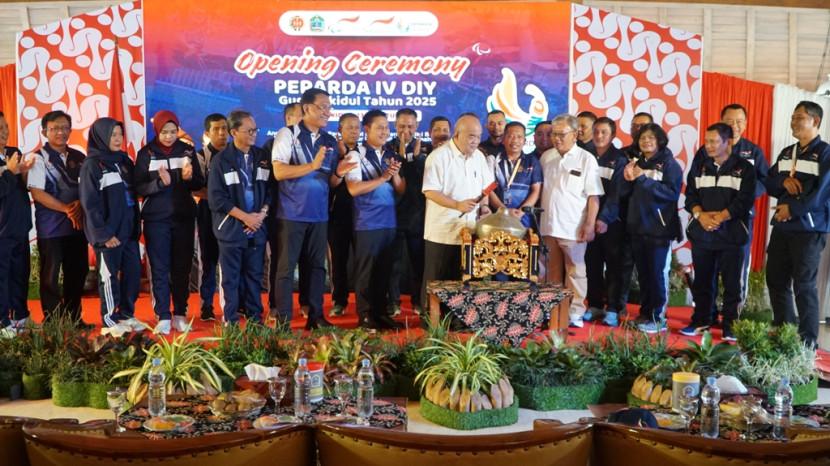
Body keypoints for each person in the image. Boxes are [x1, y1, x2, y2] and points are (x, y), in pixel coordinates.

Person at [271, 88, 356, 329]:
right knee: (287, 269)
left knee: (318, 268)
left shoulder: (329, 141)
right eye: (323, 107)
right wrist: (312, 165)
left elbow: (330, 181)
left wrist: (340, 172)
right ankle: (284, 321)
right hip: (291, 214)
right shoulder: (287, 134)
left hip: (319, 215)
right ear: (307, 108)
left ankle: (316, 316)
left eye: (329, 107)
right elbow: (279, 172)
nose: (327, 112)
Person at [682, 123, 756, 341]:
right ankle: (702, 320)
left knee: (732, 284)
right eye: (707, 141)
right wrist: (701, 216)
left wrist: (720, 217)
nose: (709, 145)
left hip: (732, 235)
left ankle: (731, 326)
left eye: (714, 141)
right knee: (703, 281)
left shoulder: (745, 168)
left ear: (728, 142)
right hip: (703, 233)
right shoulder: (699, 166)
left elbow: (744, 200)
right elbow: (690, 197)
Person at [765, 101, 830, 348]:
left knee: (804, 284)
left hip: (809, 229)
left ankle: (808, 342)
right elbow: (768, 182)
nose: (793, 122)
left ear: (815, 121)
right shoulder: (786, 152)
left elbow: (822, 193)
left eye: (799, 117)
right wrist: (782, 182)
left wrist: (792, 209)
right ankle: (784, 332)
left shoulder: (825, 153)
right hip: (783, 227)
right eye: (792, 117)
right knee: (776, 280)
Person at [135, 110, 204, 334]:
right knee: (160, 267)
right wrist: (159, 183)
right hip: (156, 219)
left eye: (173, 132)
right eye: (165, 132)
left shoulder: (187, 150)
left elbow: (198, 183)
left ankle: (180, 314)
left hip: (184, 217)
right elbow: (138, 187)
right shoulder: (146, 153)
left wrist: (189, 178)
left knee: (182, 268)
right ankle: (163, 315)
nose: (169, 136)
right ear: (157, 130)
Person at [699, 104, 769, 324]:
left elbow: (764, 181)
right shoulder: (706, 150)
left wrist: (743, 197)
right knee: (707, 271)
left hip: (739, 220)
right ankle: (706, 316)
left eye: (740, 121)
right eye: (730, 121)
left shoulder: (753, 151)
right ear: (721, 122)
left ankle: (732, 321)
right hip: (710, 219)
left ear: (746, 124)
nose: (735, 126)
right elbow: (695, 182)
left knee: (735, 273)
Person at [421, 114, 494, 308]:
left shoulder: (479, 157)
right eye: (471, 136)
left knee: (461, 281)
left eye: (478, 136)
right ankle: (430, 320)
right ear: (457, 134)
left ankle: (456, 318)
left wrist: (485, 206)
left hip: (469, 231)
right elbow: (429, 191)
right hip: (442, 232)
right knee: (437, 281)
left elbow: (486, 188)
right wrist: (456, 205)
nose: (475, 141)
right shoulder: (439, 156)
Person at [79, 118, 143, 335]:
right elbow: (90, 204)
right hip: (108, 234)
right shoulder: (92, 165)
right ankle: (109, 321)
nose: (117, 139)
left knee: (133, 274)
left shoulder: (124, 161)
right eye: (112, 135)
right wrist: (104, 234)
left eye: (119, 135)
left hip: (129, 230)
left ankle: (126, 314)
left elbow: (135, 191)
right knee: (109, 277)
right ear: (101, 136)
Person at [539, 114, 603, 328]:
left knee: (576, 271)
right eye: (554, 134)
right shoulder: (546, 157)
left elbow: (593, 197)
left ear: (575, 135)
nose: (556, 138)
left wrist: (589, 224)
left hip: (573, 226)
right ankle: (552, 310)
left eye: (561, 134)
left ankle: (575, 312)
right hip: (548, 225)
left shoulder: (586, 159)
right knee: (550, 272)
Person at [619, 123, 683, 334]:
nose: (646, 141)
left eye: (650, 138)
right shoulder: (637, 163)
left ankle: (658, 318)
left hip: (659, 229)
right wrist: (627, 178)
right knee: (644, 275)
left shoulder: (669, 164)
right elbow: (628, 193)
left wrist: (642, 179)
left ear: (659, 140)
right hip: (638, 227)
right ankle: (645, 314)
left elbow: (671, 194)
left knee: (657, 274)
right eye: (642, 138)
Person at [208, 110, 271, 325]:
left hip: (257, 228)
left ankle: (255, 321)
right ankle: (231, 322)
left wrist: (261, 215)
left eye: (255, 130)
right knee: (231, 278)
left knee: (254, 277)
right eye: (249, 131)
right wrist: (245, 218)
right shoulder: (221, 160)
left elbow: (270, 190)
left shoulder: (262, 157)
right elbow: (217, 199)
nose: (254, 134)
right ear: (234, 132)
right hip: (232, 229)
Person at [346, 110, 406, 329]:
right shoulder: (355, 155)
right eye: (379, 127)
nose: (384, 131)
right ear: (367, 129)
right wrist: (383, 177)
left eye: (386, 128)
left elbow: (401, 189)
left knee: (384, 271)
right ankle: (364, 315)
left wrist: (395, 174)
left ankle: (381, 314)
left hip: (389, 222)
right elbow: (353, 189)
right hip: (367, 222)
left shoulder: (391, 155)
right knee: (366, 272)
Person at [26, 110, 88, 322]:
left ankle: (74, 319)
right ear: (45, 131)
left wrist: (80, 203)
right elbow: (37, 193)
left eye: (64, 128)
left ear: (70, 130)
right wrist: (66, 209)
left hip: (77, 226)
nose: (60, 132)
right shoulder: (37, 158)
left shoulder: (79, 157)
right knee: (50, 276)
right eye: (55, 128)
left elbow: (88, 188)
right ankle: (53, 321)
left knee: (77, 272)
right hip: (51, 228)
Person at [583, 117, 630, 327]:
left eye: (604, 132)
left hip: (612, 223)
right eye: (596, 131)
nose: (599, 136)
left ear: (613, 135)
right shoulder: (585, 155)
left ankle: (612, 308)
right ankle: (595, 305)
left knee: (613, 267)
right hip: (588, 221)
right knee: (591, 265)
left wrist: (604, 218)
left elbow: (616, 194)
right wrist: (589, 219)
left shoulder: (619, 159)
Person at [263, 102, 306, 321]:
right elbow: (269, 180)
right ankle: (276, 306)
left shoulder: (313, 143)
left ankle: (307, 304)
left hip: (307, 210)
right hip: (280, 211)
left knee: (308, 259)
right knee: (281, 261)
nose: (305, 120)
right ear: (288, 119)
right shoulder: (273, 144)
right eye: (300, 116)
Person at [385, 108, 428, 317]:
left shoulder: (425, 148)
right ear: (395, 125)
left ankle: (418, 301)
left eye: (410, 126)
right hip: (392, 213)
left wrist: (416, 158)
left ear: (417, 126)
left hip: (417, 214)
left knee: (417, 262)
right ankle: (392, 302)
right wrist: (401, 156)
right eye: (402, 126)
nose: (406, 131)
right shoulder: (387, 148)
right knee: (392, 263)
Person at [0, 112, 34, 336]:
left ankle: (20, 316)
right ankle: (2, 322)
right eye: (0, 128)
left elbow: (22, 189)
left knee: (20, 274)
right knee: (2, 277)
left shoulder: (13, 153)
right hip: (2, 231)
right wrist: (10, 172)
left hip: (20, 226)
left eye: (6, 127)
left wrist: (23, 173)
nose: (4, 132)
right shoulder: (10, 163)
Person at [194, 113, 228, 321]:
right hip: (208, 211)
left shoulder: (235, 154)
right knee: (208, 260)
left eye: (225, 128)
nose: (222, 133)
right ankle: (206, 305)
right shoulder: (200, 156)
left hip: (233, 214)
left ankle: (235, 303)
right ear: (207, 133)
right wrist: (218, 198)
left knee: (232, 260)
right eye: (217, 129)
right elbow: (195, 188)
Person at [328, 113, 360, 318]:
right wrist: (341, 157)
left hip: (363, 214)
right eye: (349, 127)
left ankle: (365, 301)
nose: (354, 131)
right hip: (338, 214)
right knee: (339, 260)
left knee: (363, 259)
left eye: (357, 127)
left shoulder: (364, 152)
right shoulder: (331, 152)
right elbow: (329, 182)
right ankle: (339, 301)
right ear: (340, 130)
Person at [488, 121, 542, 227]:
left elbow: (536, 191)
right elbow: (489, 189)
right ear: (503, 139)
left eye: (519, 137)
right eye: (510, 136)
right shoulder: (493, 160)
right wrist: (504, 211)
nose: (515, 140)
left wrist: (521, 212)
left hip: (523, 218)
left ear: (525, 141)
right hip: (498, 217)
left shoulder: (532, 161)